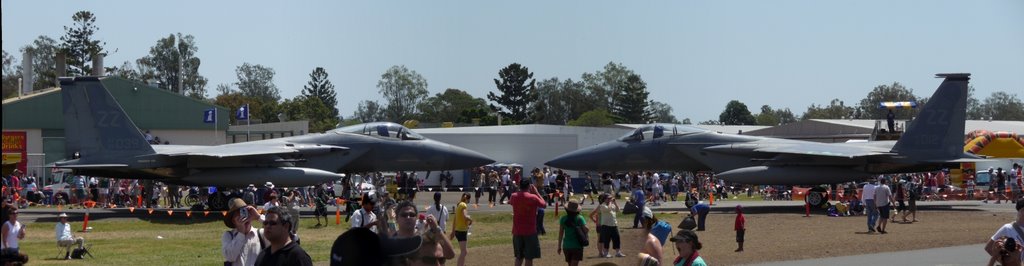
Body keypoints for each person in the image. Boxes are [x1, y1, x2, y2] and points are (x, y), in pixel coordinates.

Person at [509, 180, 546, 266]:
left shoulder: (513, 196)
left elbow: (511, 202)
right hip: (530, 231)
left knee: (519, 257)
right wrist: (537, 193)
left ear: (519, 185)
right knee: (529, 258)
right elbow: (544, 204)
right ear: (529, 186)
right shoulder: (533, 197)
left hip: (517, 231)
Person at [222, 198, 268, 266]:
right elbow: (230, 257)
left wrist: (258, 217)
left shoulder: (261, 234)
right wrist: (241, 233)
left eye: (244, 212)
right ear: (233, 221)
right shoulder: (228, 236)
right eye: (238, 215)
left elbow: (281, 232)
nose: (243, 218)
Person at [589, 193, 624, 258]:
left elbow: (618, 210)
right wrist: (611, 202)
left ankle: (618, 252)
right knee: (606, 240)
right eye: (609, 198)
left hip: (614, 225)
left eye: (611, 198)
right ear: (604, 199)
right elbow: (608, 209)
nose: (610, 199)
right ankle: (605, 253)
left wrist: (615, 203)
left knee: (617, 238)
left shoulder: (612, 204)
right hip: (606, 225)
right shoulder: (602, 206)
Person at [558, 200, 588, 266]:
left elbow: (561, 233)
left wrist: (559, 246)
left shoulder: (563, 219)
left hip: (566, 246)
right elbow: (586, 230)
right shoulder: (580, 218)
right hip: (577, 246)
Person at [450, 192, 472, 266]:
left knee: (464, 251)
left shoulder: (459, 205)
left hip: (458, 230)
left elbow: (455, 219)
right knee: (464, 252)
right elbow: (465, 216)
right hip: (461, 231)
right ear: (468, 199)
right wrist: (470, 220)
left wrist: (453, 231)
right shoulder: (463, 205)